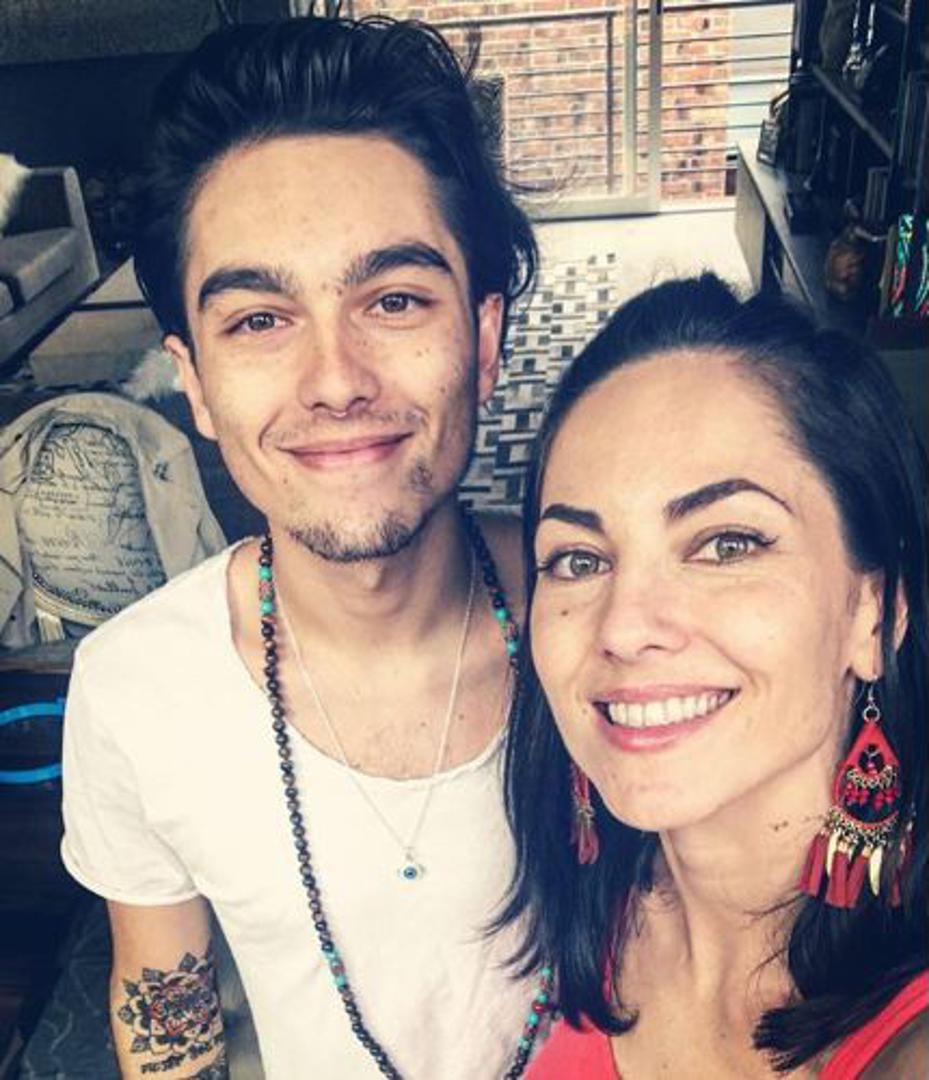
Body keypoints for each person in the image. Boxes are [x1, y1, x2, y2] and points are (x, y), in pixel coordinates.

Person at [60, 15, 551, 1079]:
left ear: (482, 339)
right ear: (194, 382)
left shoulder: (607, 627)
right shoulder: (134, 688)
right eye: (258, 321)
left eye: (394, 300)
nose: (334, 380)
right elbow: (168, 1021)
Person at [501, 274, 928, 1077]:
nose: (623, 628)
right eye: (579, 560)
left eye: (726, 544)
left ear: (874, 613)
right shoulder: (605, 901)